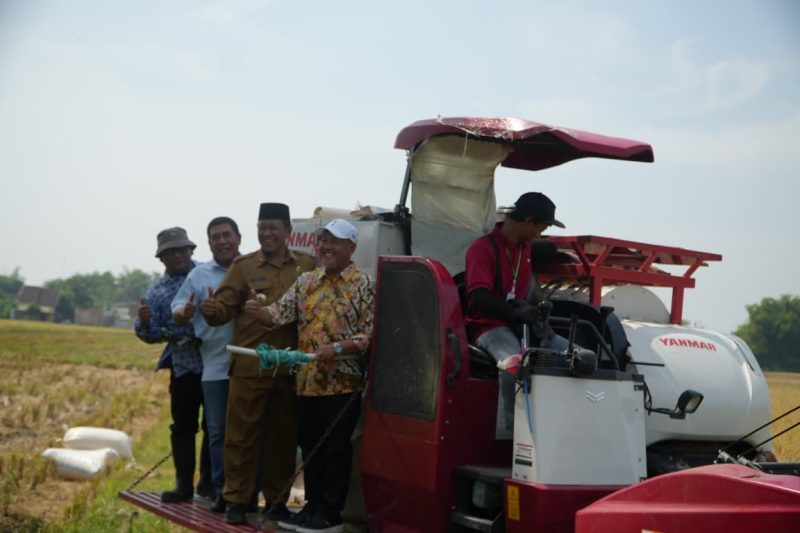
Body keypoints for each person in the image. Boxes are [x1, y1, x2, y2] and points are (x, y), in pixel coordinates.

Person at [246, 218, 374, 533]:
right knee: (311, 446)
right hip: (306, 382)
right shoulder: (307, 282)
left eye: (336, 242)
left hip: (341, 384)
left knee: (335, 449)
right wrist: (257, 311)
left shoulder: (363, 283)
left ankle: (331, 514)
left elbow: (368, 335)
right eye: (324, 241)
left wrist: (339, 349)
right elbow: (277, 315)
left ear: (351, 247)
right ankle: (311, 507)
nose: (327, 247)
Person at [201, 203, 316, 525]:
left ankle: (277, 502)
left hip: (289, 368)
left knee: (283, 440)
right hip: (250, 367)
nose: (266, 233)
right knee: (240, 438)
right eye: (261, 227)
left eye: (273, 228)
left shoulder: (306, 266)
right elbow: (222, 309)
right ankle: (236, 500)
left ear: (287, 232)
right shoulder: (242, 266)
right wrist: (211, 309)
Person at [464, 192, 565, 440]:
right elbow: (479, 297)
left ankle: (556, 430)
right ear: (529, 221)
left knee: (575, 357)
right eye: (541, 227)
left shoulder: (525, 249)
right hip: (488, 327)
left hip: (518, 325)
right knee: (514, 364)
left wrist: (538, 307)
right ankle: (512, 437)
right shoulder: (483, 248)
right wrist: (516, 314)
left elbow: (525, 291)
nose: (540, 233)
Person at [135, 226, 213, 502]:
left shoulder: (209, 273)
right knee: (183, 427)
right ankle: (183, 486)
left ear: (191, 250)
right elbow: (151, 334)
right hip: (184, 368)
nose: (177, 255)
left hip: (216, 364)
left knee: (214, 427)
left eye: (181, 249)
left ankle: (208, 485)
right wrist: (145, 322)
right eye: (170, 252)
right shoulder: (156, 293)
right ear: (161, 259)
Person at [171, 217, 241, 513]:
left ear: (239, 237)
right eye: (216, 237)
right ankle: (221, 491)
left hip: (250, 367)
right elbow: (177, 307)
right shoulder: (199, 275)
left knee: (248, 433)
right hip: (214, 366)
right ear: (209, 243)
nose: (222, 241)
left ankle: (245, 492)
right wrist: (184, 312)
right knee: (217, 433)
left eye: (227, 235)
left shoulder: (251, 268)